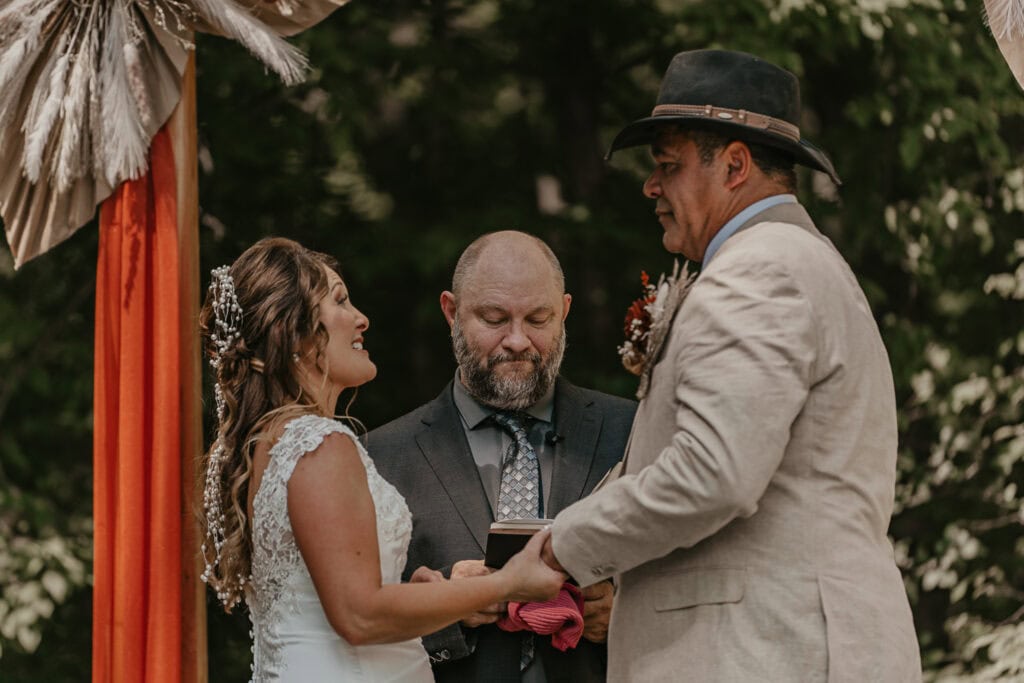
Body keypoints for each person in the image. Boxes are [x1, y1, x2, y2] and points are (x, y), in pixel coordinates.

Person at [539, 49, 922, 681]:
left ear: (736, 166)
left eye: (668, 166)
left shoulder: (759, 268)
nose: (651, 187)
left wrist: (562, 549)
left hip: (766, 649)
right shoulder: (798, 260)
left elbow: (713, 472)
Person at [198, 237, 566, 682]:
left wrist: (424, 596)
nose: (360, 318)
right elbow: (360, 617)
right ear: (294, 333)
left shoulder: (274, 442)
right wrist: (508, 583)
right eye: (339, 302)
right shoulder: (319, 444)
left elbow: (331, 600)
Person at [367, 230, 637, 682]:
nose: (516, 340)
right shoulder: (382, 455)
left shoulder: (628, 430)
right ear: (451, 313)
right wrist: (445, 608)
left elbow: (687, 579)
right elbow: (357, 622)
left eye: (538, 318)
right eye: (494, 318)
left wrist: (625, 612)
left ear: (565, 313)